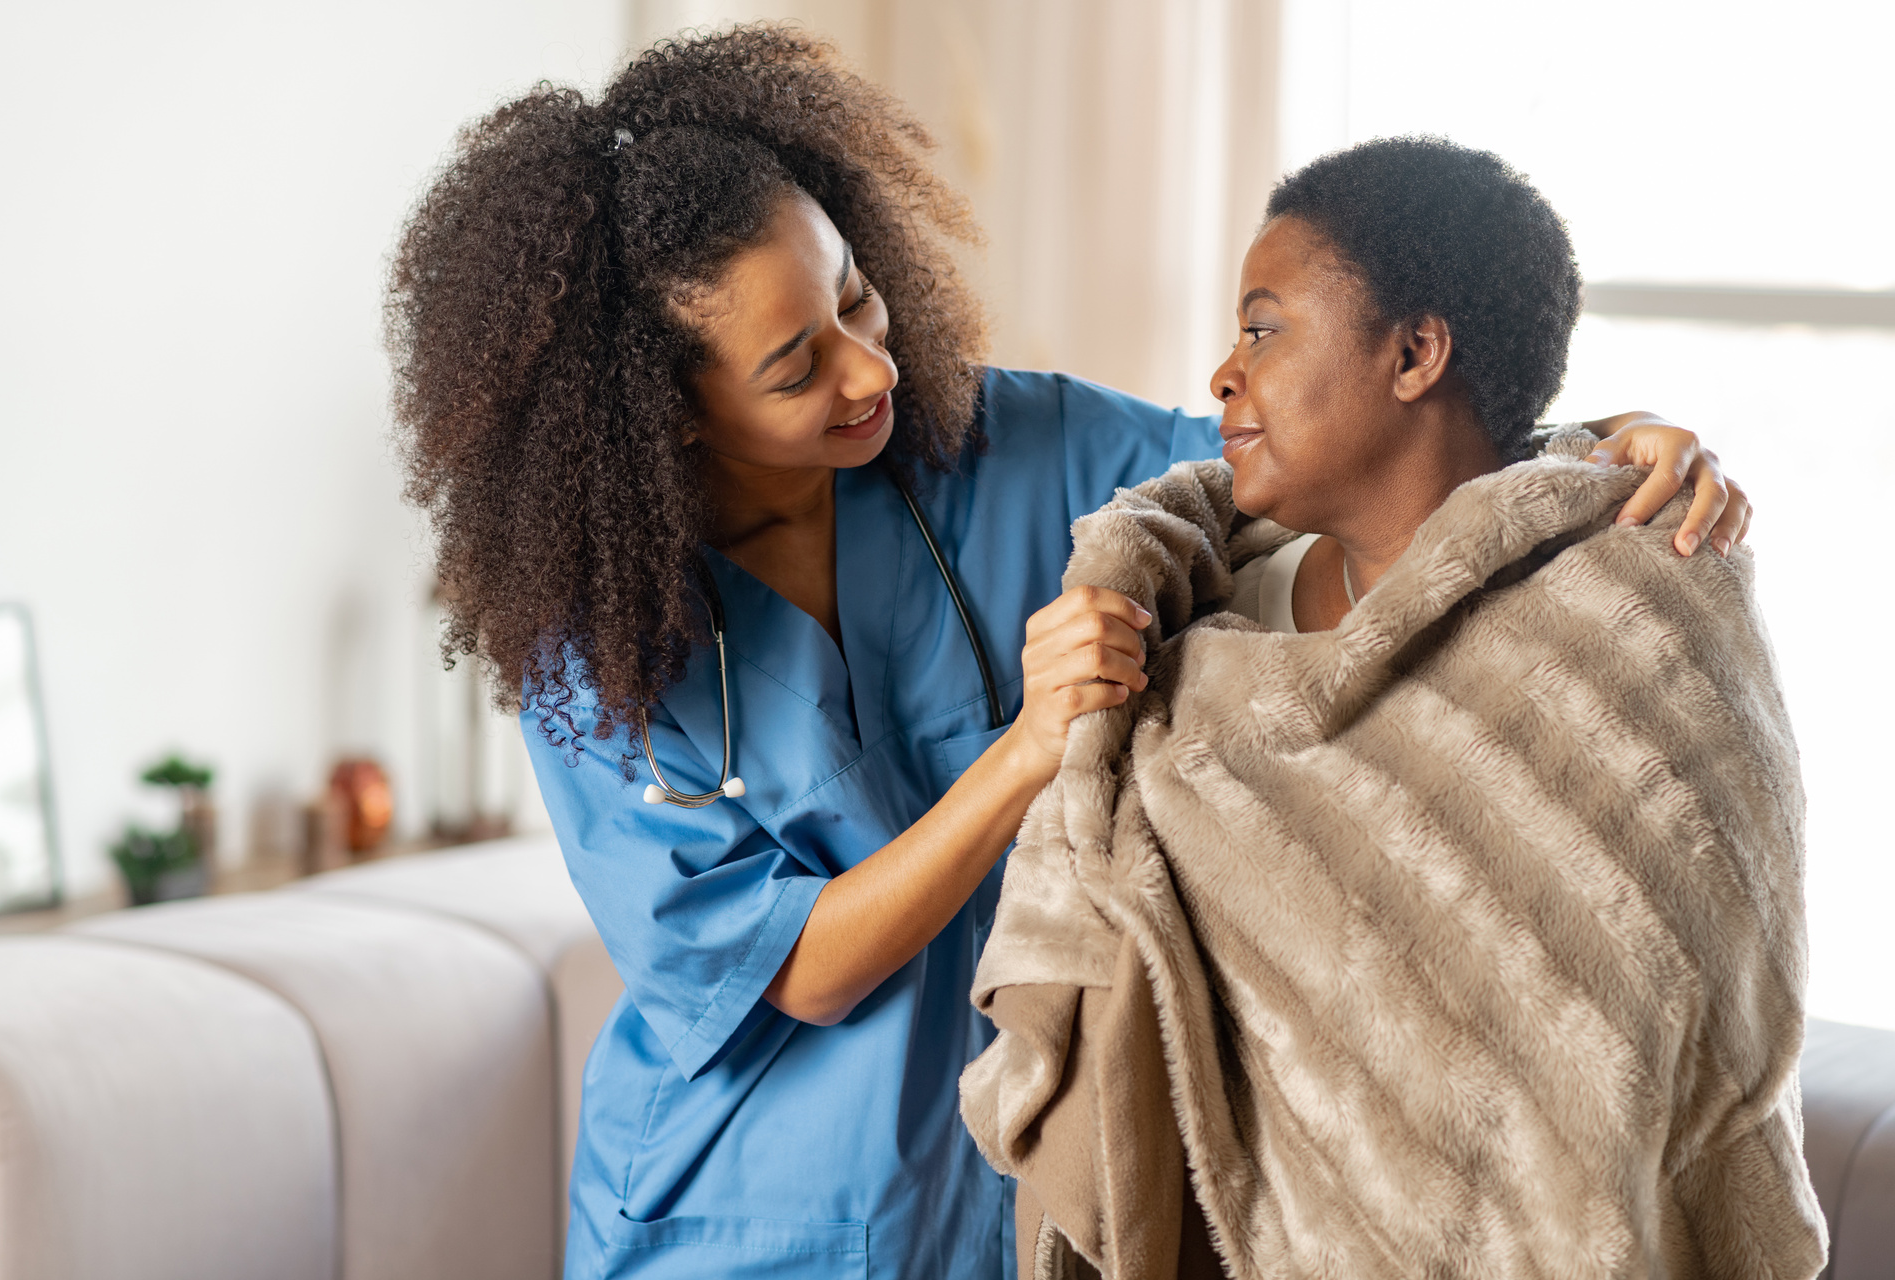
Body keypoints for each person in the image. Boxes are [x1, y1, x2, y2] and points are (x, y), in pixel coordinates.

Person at [386, 28, 1751, 1280]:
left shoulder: (999, 446)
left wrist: (1584, 446)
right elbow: (792, 968)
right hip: (730, 1225)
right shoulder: (600, 650)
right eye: (797, 368)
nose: (871, 373)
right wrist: (1028, 750)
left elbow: (1319, 464)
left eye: (859, 302)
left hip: (990, 1204)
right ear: (663, 420)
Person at [962, 136, 1821, 1279]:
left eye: (1263, 327)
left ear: (1415, 351)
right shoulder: (1191, 649)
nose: (1223, 372)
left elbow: (1716, 1002)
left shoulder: (1643, 606)